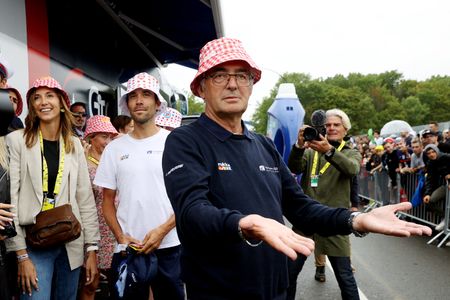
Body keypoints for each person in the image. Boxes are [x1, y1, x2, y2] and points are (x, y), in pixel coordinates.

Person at [161, 37, 431, 300]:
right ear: (200, 88)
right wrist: (244, 223)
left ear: (251, 85)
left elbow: (300, 206)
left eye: (242, 75)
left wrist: (354, 220)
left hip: (275, 287)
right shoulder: (185, 141)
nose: (232, 84)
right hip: (219, 291)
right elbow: (191, 212)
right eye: (219, 75)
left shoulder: (263, 144)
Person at [5, 76, 100, 299]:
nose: (43, 102)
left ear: (61, 103)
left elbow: (85, 198)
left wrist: (92, 248)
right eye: (36, 97)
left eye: (49, 95)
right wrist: (20, 254)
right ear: (32, 106)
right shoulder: (17, 140)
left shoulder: (74, 143)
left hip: (71, 242)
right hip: (34, 243)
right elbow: (11, 198)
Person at [94, 72, 184, 300]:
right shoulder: (114, 149)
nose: (139, 100)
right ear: (127, 104)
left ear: (157, 102)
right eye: (133, 95)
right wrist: (121, 236)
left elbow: (187, 197)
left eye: (146, 94)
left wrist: (163, 230)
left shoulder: (174, 143)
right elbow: (106, 202)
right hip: (128, 249)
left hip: (170, 246)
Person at [287, 109, 361, 299]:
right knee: (288, 274)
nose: (331, 128)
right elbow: (293, 167)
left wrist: (329, 150)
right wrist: (299, 145)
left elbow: (351, 169)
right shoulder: (311, 151)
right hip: (306, 221)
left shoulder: (351, 152)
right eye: (328, 125)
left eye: (336, 125)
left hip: (334, 222)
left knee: (345, 276)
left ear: (345, 129)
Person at [79, 115, 118, 299]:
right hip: (92, 234)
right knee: (90, 284)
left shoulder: (114, 162)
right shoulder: (83, 165)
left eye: (111, 137)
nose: (108, 141)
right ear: (90, 137)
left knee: (118, 283)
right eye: (103, 136)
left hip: (115, 233)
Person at [422, 144, 450, 232]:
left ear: (437, 151)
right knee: (430, 201)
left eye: (433, 152)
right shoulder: (430, 163)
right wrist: (428, 193)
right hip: (445, 186)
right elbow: (430, 179)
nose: (431, 154)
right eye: (429, 153)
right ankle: (446, 218)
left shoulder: (446, 157)